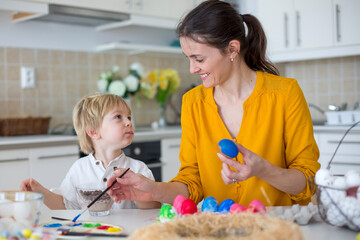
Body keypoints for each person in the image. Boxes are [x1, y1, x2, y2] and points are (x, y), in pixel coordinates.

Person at [107, 0, 320, 207]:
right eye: (188, 58)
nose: (192, 69)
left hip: (275, 227)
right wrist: (153, 190)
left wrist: (263, 169)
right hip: (216, 227)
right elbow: (192, 182)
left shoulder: (284, 94)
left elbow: (308, 181)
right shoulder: (193, 102)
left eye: (199, 59)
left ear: (232, 49)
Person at [20, 93, 160, 209]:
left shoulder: (138, 169)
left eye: (129, 117)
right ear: (93, 132)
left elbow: (154, 208)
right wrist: (40, 192)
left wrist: (138, 191)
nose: (129, 122)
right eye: (118, 117)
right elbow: (66, 206)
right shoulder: (79, 169)